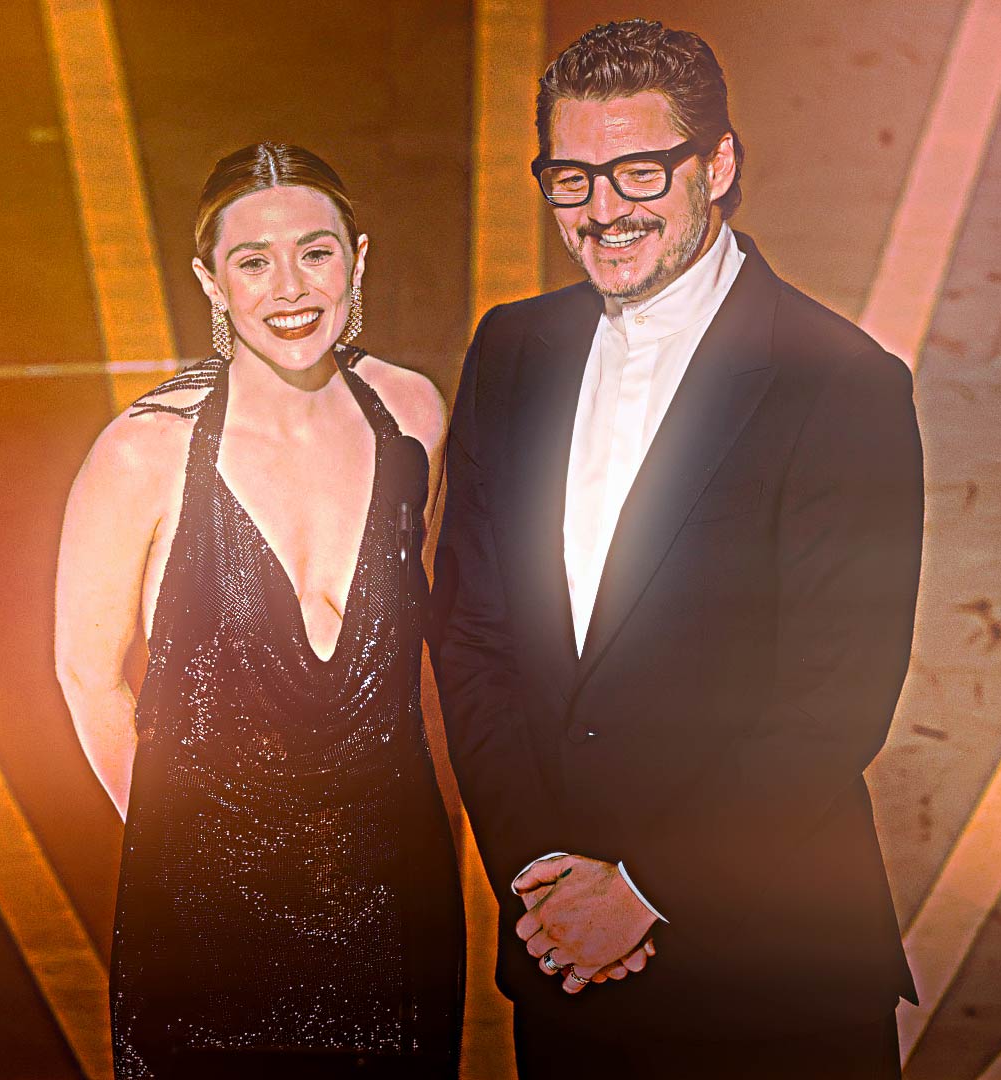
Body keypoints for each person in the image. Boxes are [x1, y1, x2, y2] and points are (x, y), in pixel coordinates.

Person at [432, 20, 922, 1080]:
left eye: (640, 172)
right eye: (571, 178)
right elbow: (470, 634)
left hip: (774, 986)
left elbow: (836, 698)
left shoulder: (842, 381)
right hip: (564, 967)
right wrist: (545, 877)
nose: (604, 210)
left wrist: (643, 891)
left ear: (719, 164)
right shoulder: (511, 349)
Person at [55, 142, 463, 1079]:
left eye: (315, 253)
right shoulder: (143, 452)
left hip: (397, 915)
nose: (290, 289)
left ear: (358, 259)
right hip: (205, 928)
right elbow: (85, 675)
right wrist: (181, 854)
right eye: (254, 261)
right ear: (211, 281)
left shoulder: (412, 415)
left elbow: (411, 678)